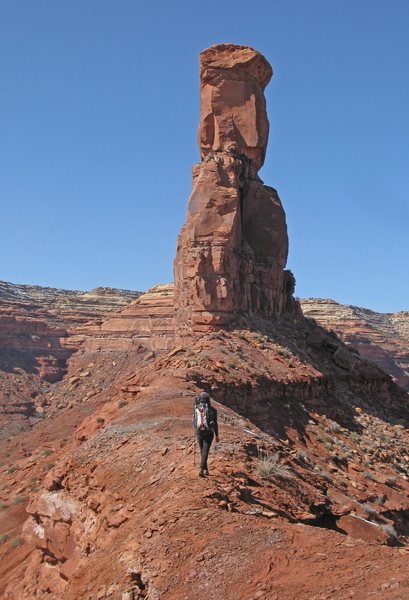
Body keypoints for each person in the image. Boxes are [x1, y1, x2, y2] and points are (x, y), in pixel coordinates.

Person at [193, 391, 219, 477]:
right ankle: (201, 469)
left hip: (199, 432)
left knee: (202, 451)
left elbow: (194, 420)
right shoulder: (213, 410)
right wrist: (217, 435)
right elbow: (215, 423)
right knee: (205, 451)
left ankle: (205, 470)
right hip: (209, 433)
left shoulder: (196, 408)